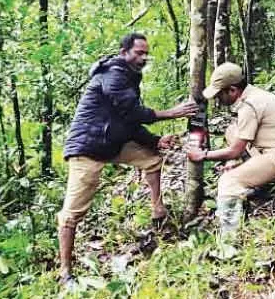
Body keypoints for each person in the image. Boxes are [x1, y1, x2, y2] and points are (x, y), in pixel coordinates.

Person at [57, 33, 197, 285]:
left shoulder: (130, 77)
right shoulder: (114, 74)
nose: (143, 58)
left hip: (111, 143)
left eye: (145, 53)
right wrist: (171, 113)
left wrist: (154, 141)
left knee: (152, 159)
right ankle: (65, 272)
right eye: (138, 53)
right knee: (72, 214)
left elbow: (127, 121)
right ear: (124, 52)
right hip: (87, 148)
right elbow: (131, 110)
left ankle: (158, 211)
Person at [187, 62, 275, 241]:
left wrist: (203, 155)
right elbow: (238, 140)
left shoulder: (249, 106)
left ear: (233, 90)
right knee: (232, 131)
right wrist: (231, 161)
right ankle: (242, 170)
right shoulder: (255, 96)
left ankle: (228, 240)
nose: (218, 100)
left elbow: (236, 150)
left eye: (220, 95)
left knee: (228, 181)